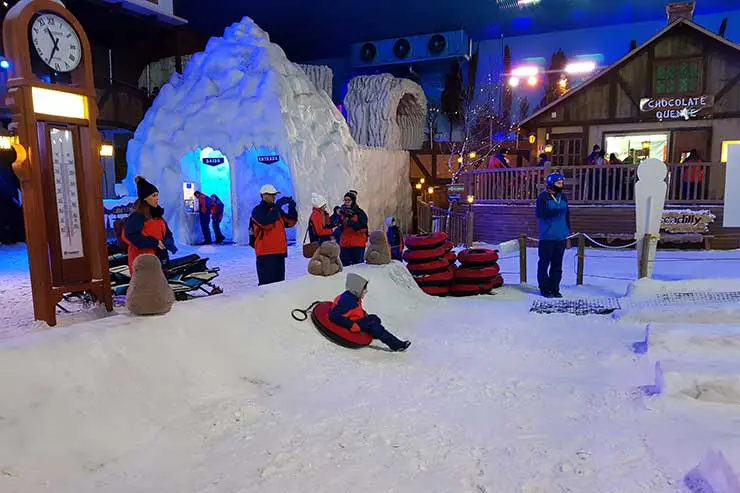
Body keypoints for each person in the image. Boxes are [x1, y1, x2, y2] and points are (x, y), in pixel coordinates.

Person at [330, 272, 411, 352]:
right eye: (364, 289)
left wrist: (363, 314)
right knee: (374, 325)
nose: (366, 291)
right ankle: (397, 345)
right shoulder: (347, 300)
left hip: (357, 319)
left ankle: (375, 332)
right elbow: (334, 316)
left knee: (375, 318)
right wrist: (351, 325)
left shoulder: (353, 297)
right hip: (352, 322)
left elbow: (354, 310)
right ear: (356, 289)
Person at [122, 176, 178, 275]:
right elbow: (129, 236)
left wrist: (167, 242)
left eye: (157, 195)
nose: (157, 198)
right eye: (153, 196)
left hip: (160, 259)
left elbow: (168, 233)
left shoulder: (158, 216)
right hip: (143, 262)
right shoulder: (137, 217)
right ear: (145, 198)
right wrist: (154, 243)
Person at [250, 184, 297, 286]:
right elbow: (266, 224)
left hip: (279, 252)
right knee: (267, 286)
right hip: (265, 254)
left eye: (274, 195)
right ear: (264, 195)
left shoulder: (275, 210)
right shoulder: (258, 210)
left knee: (279, 285)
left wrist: (292, 208)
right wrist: (277, 206)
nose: (274, 197)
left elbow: (290, 222)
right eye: (272, 195)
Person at [536, 172, 570, 298]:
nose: (561, 185)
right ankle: (544, 288)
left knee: (557, 264)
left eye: (562, 183)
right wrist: (555, 211)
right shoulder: (543, 197)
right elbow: (541, 214)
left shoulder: (563, 197)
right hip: (547, 237)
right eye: (558, 183)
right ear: (551, 183)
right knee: (544, 263)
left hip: (561, 236)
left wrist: (567, 229)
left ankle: (554, 288)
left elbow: (567, 214)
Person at [338, 190, 368, 266]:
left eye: (349, 200)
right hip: (345, 244)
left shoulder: (360, 212)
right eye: (345, 200)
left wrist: (351, 223)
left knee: (357, 267)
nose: (346, 202)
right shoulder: (341, 213)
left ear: (353, 201)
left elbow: (363, 226)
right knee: (345, 267)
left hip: (357, 244)